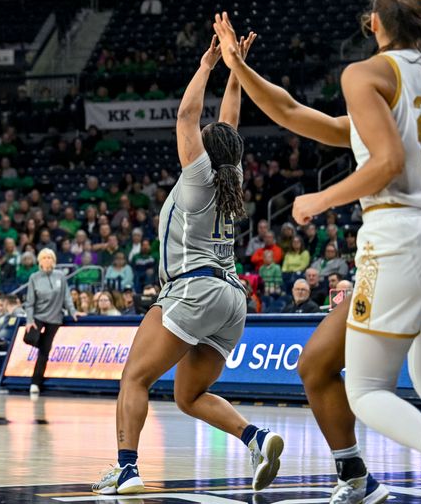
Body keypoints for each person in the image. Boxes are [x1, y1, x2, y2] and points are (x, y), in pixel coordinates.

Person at [213, 0, 421, 499]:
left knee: (366, 388)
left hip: (401, 235)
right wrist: (240, 71)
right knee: (393, 370)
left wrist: (320, 199)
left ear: (373, 23)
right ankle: (354, 475)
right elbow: (296, 115)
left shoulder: (366, 73)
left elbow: (386, 163)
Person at [92, 33, 284, 496]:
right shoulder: (231, 175)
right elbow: (229, 123)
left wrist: (207, 65)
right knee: (187, 395)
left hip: (192, 289)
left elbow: (186, 115)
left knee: (134, 377)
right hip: (233, 299)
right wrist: (236, 69)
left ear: (202, 151)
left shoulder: (198, 176)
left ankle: (127, 468)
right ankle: (256, 439)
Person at [23, 248, 79, 395]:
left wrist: (73, 311)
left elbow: (67, 297)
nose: (48, 260)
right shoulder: (34, 277)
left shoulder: (60, 276)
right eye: (45, 258)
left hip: (55, 318)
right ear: (40, 261)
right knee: (29, 338)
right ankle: (45, 345)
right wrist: (29, 320)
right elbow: (29, 302)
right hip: (38, 316)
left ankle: (35, 383)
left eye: (50, 258)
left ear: (54, 261)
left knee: (44, 353)